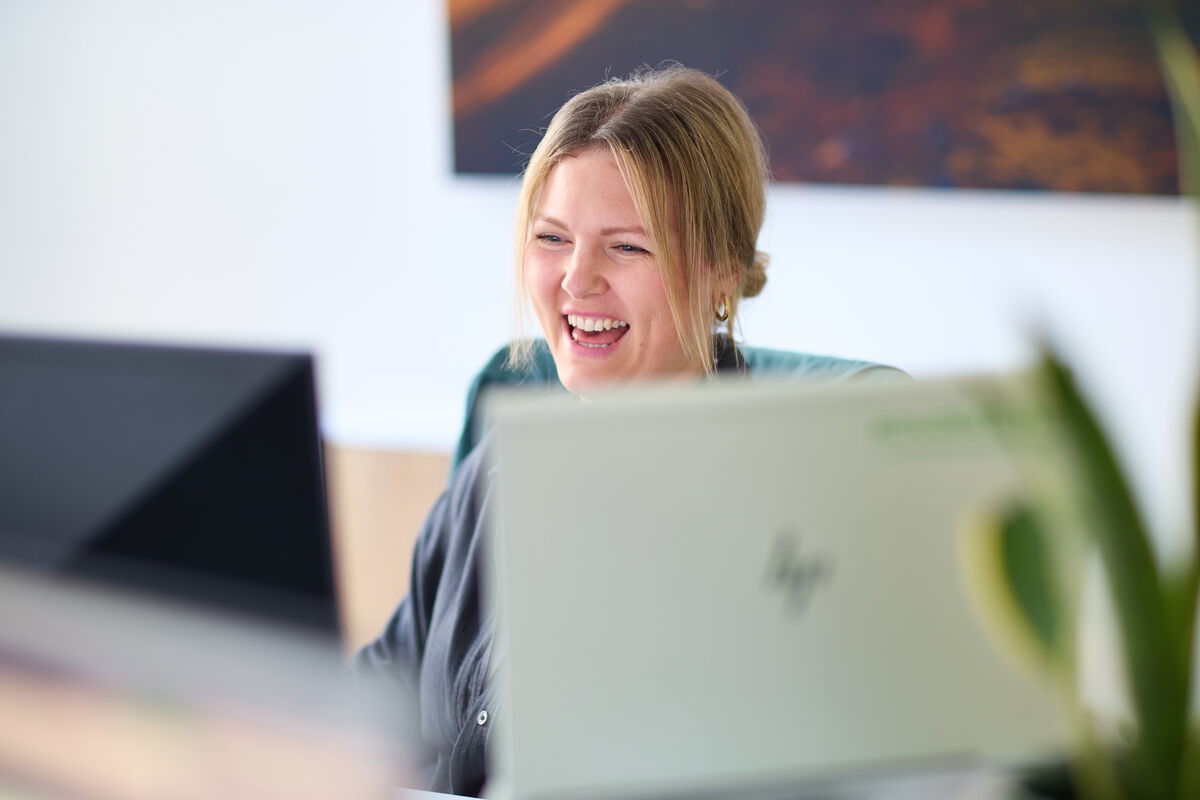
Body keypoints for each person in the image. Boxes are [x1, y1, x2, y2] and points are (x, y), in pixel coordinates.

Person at [357, 65, 786, 796]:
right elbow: (376, 704)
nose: (576, 281)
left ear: (722, 271)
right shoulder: (499, 466)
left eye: (627, 247)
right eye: (551, 237)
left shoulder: (772, 511)